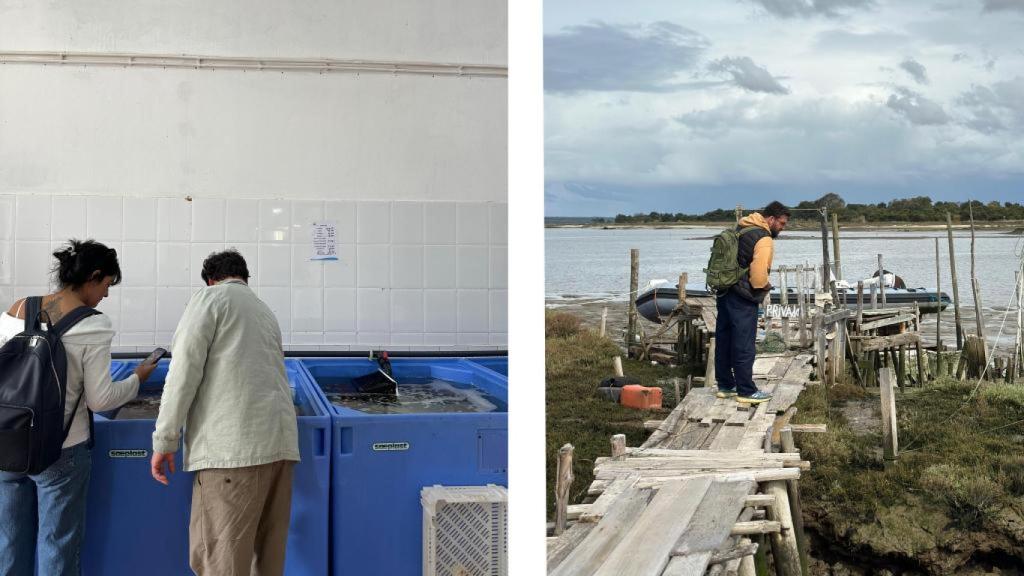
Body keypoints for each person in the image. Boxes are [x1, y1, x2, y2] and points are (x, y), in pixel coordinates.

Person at [0, 239, 154, 575]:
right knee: (58, 544)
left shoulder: (17, 308)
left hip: (8, 442)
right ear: (94, 276)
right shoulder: (93, 324)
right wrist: (138, 378)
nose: (107, 295)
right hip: (62, 450)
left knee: (9, 544)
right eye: (107, 285)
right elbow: (101, 400)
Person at [150, 249, 299, 576]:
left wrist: (164, 441)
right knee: (268, 563)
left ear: (211, 280)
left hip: (234, 455)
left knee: (222, 562)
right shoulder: (264, 312)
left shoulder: (210, 300)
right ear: (245, 278)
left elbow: (182, 374)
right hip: (281, 451)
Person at [714, 201, 790, 404]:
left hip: (724, 290)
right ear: (771, 219)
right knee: (744, 343)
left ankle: (725, 386)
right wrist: (764, 287)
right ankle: (746, 391)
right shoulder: (763, 237)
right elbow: (757, 276)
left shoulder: (740, 227)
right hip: (743, 296)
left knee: (724, 339)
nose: (782, 228)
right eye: (781, 224)